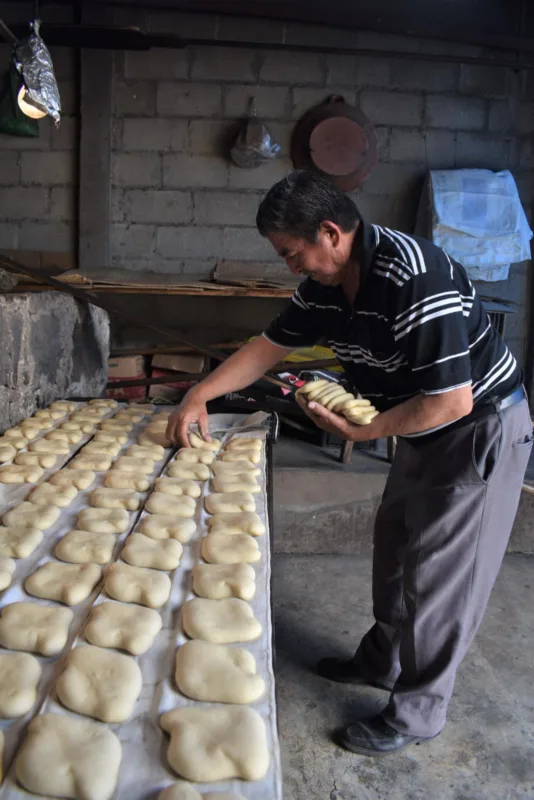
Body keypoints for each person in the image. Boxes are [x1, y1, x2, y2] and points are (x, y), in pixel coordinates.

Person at [166, 170, 532, 756]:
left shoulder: (413, 276)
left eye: (293, 253)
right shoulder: (326, 285)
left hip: (475, 428)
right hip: (418, 424)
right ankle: (379, 661)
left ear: (331, 232)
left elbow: (451, 400)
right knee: (395, 547)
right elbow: (268, 348)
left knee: (442, 579)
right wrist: (199, 394)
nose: (291, 267)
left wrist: (369, 430)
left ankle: (417, 713)